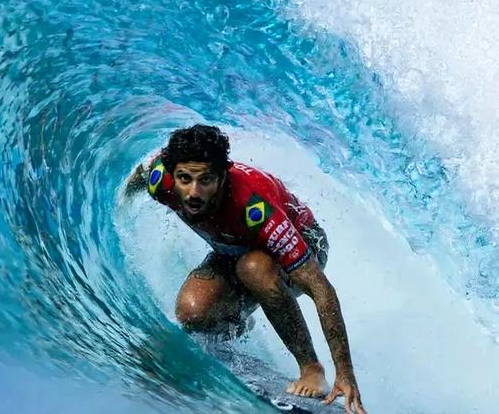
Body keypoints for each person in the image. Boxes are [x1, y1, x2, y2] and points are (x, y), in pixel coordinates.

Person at [125, 124, 365, 413]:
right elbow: (143, 173)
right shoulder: (160, 181)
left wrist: (345, 372)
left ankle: (311, 369)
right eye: (185, 179)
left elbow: (320, 287)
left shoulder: (254, 208)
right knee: (192, 312)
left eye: (206, 180)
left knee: (253, 268)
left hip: (305, 242)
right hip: (235, 249)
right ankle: (236, 321)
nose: (193, 193)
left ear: (223, 176)